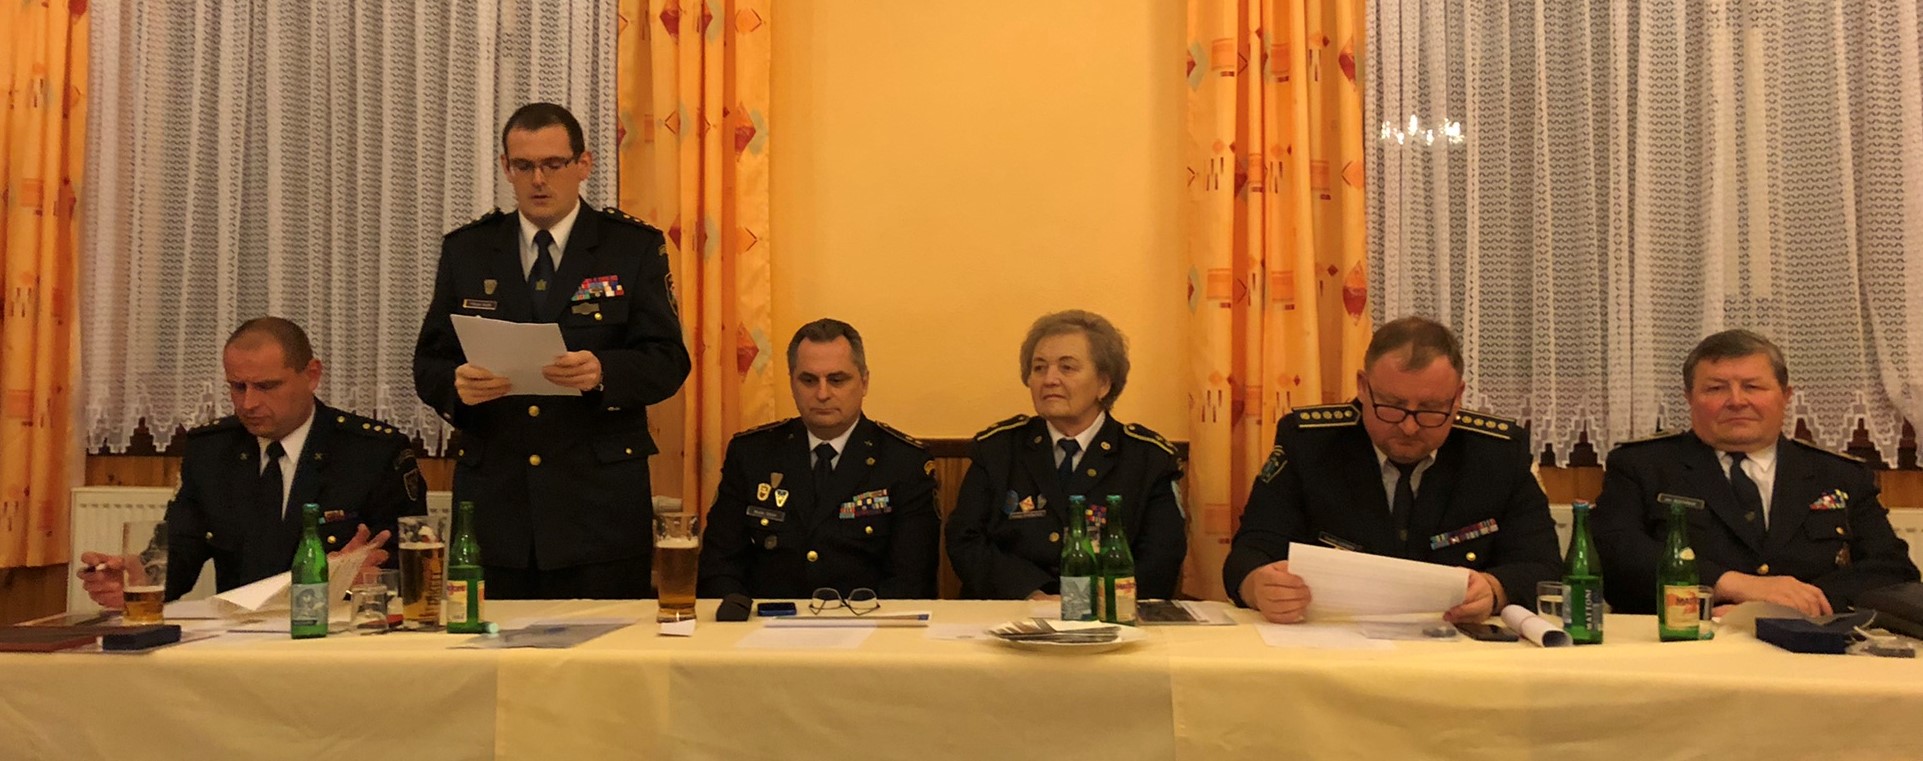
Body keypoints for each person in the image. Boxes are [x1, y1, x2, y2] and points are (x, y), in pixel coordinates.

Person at [413, 102, 690, 599]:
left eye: (553, 164)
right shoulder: (468, 250)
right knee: (490, 646)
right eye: (523, 166)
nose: (538, 180)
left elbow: (668, 360)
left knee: (609, 646)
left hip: (597, 511)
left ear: (583, 165)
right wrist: (457, 386)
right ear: (506, 168)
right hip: (498, 509)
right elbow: (429, 363)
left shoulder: (630, 247)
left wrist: (604, 372)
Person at [1223, 316, 1562, 624]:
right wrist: (1258, 586)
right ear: (1362, 386)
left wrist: (1494, 588)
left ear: (1458, 396)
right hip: (1336, 644)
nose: (1409, 427)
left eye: (1430, 409)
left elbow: (1543, 567)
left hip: (1456, 648)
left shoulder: (1497, 453)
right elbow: (1251, 550)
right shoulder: (1310, 444)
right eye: (1393, 406)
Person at [77, 317, 424, 608]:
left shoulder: (371, 452)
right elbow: (182, 547)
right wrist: (140, 577)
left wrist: (365, 577)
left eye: (266, 386)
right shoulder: (212, 451)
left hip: (336, 631)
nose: (249, 403)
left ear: (312, 375)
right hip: (240, 635)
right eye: (237, 387)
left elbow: (407, 561)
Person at [1593, 329, 1918, 616]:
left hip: (1812, 642)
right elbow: (1614, 556)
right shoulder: (1643, 466)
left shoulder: (1839, 475)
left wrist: (1800, 603)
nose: (1736, 401)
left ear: (1786, 396)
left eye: (1753, 386)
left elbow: (1891, 569)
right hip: (1686, 641)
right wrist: (1729, 584)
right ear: (1689, 398)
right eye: (1716, 388)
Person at [946, 310, 1187, 600]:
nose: (1049, 379)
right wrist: (1031, 593)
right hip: (1011, 609)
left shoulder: (1148, 459)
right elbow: (965, 540)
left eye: (1067, 368)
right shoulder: (998, 449)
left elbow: (1161, 559)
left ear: (1104, 383)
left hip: (1108, 614)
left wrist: (1083, 602)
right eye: (1039, 368)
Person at [698, 319, 938, 600]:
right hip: (765, 622)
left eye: (837, 380)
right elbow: (719, 566)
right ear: (792, 382)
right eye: (809, 380)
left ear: (864, 382)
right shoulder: (752, 454)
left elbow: (911, 581)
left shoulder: (904, 463)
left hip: (867, 622)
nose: (822, 394)